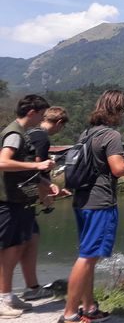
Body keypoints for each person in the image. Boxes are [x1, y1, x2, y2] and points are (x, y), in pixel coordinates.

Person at [60, 90, 124, 323]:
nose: (123, 115)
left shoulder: (87, 133)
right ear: (115, 110)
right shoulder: (111, 135)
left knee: (88, 255)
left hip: (81, 201)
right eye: (122, 110)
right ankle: (70, 314)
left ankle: (89, 307)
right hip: (100, 202)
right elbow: (118, 169)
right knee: (87, 258)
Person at [0, 95, 56, 317]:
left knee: (15, 248)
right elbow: (3, 162)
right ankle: (2, 299)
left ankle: (8, 296)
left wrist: (45, 184)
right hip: (8, 201)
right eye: (42, 114)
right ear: (32, 112)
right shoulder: (14, 134)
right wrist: (40, 165)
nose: (43, 119)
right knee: (7, 249)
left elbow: (22, 170)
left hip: (19, 200)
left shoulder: (22, 134)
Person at [19, 106, 72, 301]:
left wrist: (51, 189)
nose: (60, 131)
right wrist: (47, 199)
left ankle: (31, 287)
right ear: (59, 123)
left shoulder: (29, 133)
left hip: (20, 194)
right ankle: (25, 289)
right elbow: (35, 172)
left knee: (29, 238)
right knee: (22, 242)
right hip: (23, 197)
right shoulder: (41, 138)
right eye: (62, 127)